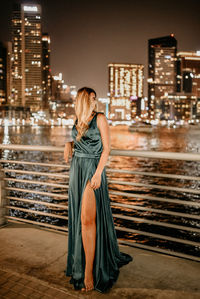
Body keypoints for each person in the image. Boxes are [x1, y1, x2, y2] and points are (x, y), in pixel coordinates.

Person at [64, 87, 133, 293]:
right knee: (81, 220)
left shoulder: (100, 118)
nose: (95, 101)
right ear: (83, 100)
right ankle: (84, 264)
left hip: (93, 170)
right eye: (92, 98)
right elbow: (79, 141)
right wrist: (68, 144)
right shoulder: (77, 120)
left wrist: (97, 174)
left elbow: (107, 148)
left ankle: (88, 272)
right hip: (77, 169)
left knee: (87, 221)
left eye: (96, 98)